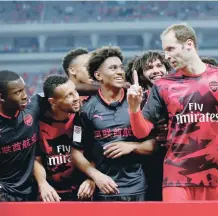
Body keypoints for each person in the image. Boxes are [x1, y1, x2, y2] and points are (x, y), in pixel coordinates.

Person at [127, 23, 218, 201]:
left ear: (189, 44)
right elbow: (141, 131)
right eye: (165, 50)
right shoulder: (163, 86)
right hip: (177, 176)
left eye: (170, 49)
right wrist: (134, 109)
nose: (167, 56)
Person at [72, 46, 156, 201]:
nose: (120, 72)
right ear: (98, 75)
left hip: (137, 187)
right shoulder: (85, 109)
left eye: (121, 67)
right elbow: (76, 152)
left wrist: (132, 146)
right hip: (104, 189)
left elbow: (155, 144)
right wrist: (94, 175)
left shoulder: (140, 102)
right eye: (113, 68)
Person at [34, 75, 95, 202]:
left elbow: (95, 154)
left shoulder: (84, 116)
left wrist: (92, 179)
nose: (76, 98)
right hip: (51, 196)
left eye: (75, 91)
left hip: (81, 193)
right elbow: (37, 159)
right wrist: (43, 184)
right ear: (53, 101)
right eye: (69, 95)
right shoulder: (37, 123)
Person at [0, 70, 44, 209]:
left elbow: (63, 89)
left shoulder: (33, 106)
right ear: (1, 97)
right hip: (1, 194)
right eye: (17, 92)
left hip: (33, 191)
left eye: (24, 89)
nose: (25, 95)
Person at [130, 51, 171, 201]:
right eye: (149, 68)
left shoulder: (179, 93)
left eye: (159, 65)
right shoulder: (137, 99)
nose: (156, 71)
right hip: (151, 165)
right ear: (141, 75)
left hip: (179, 162)